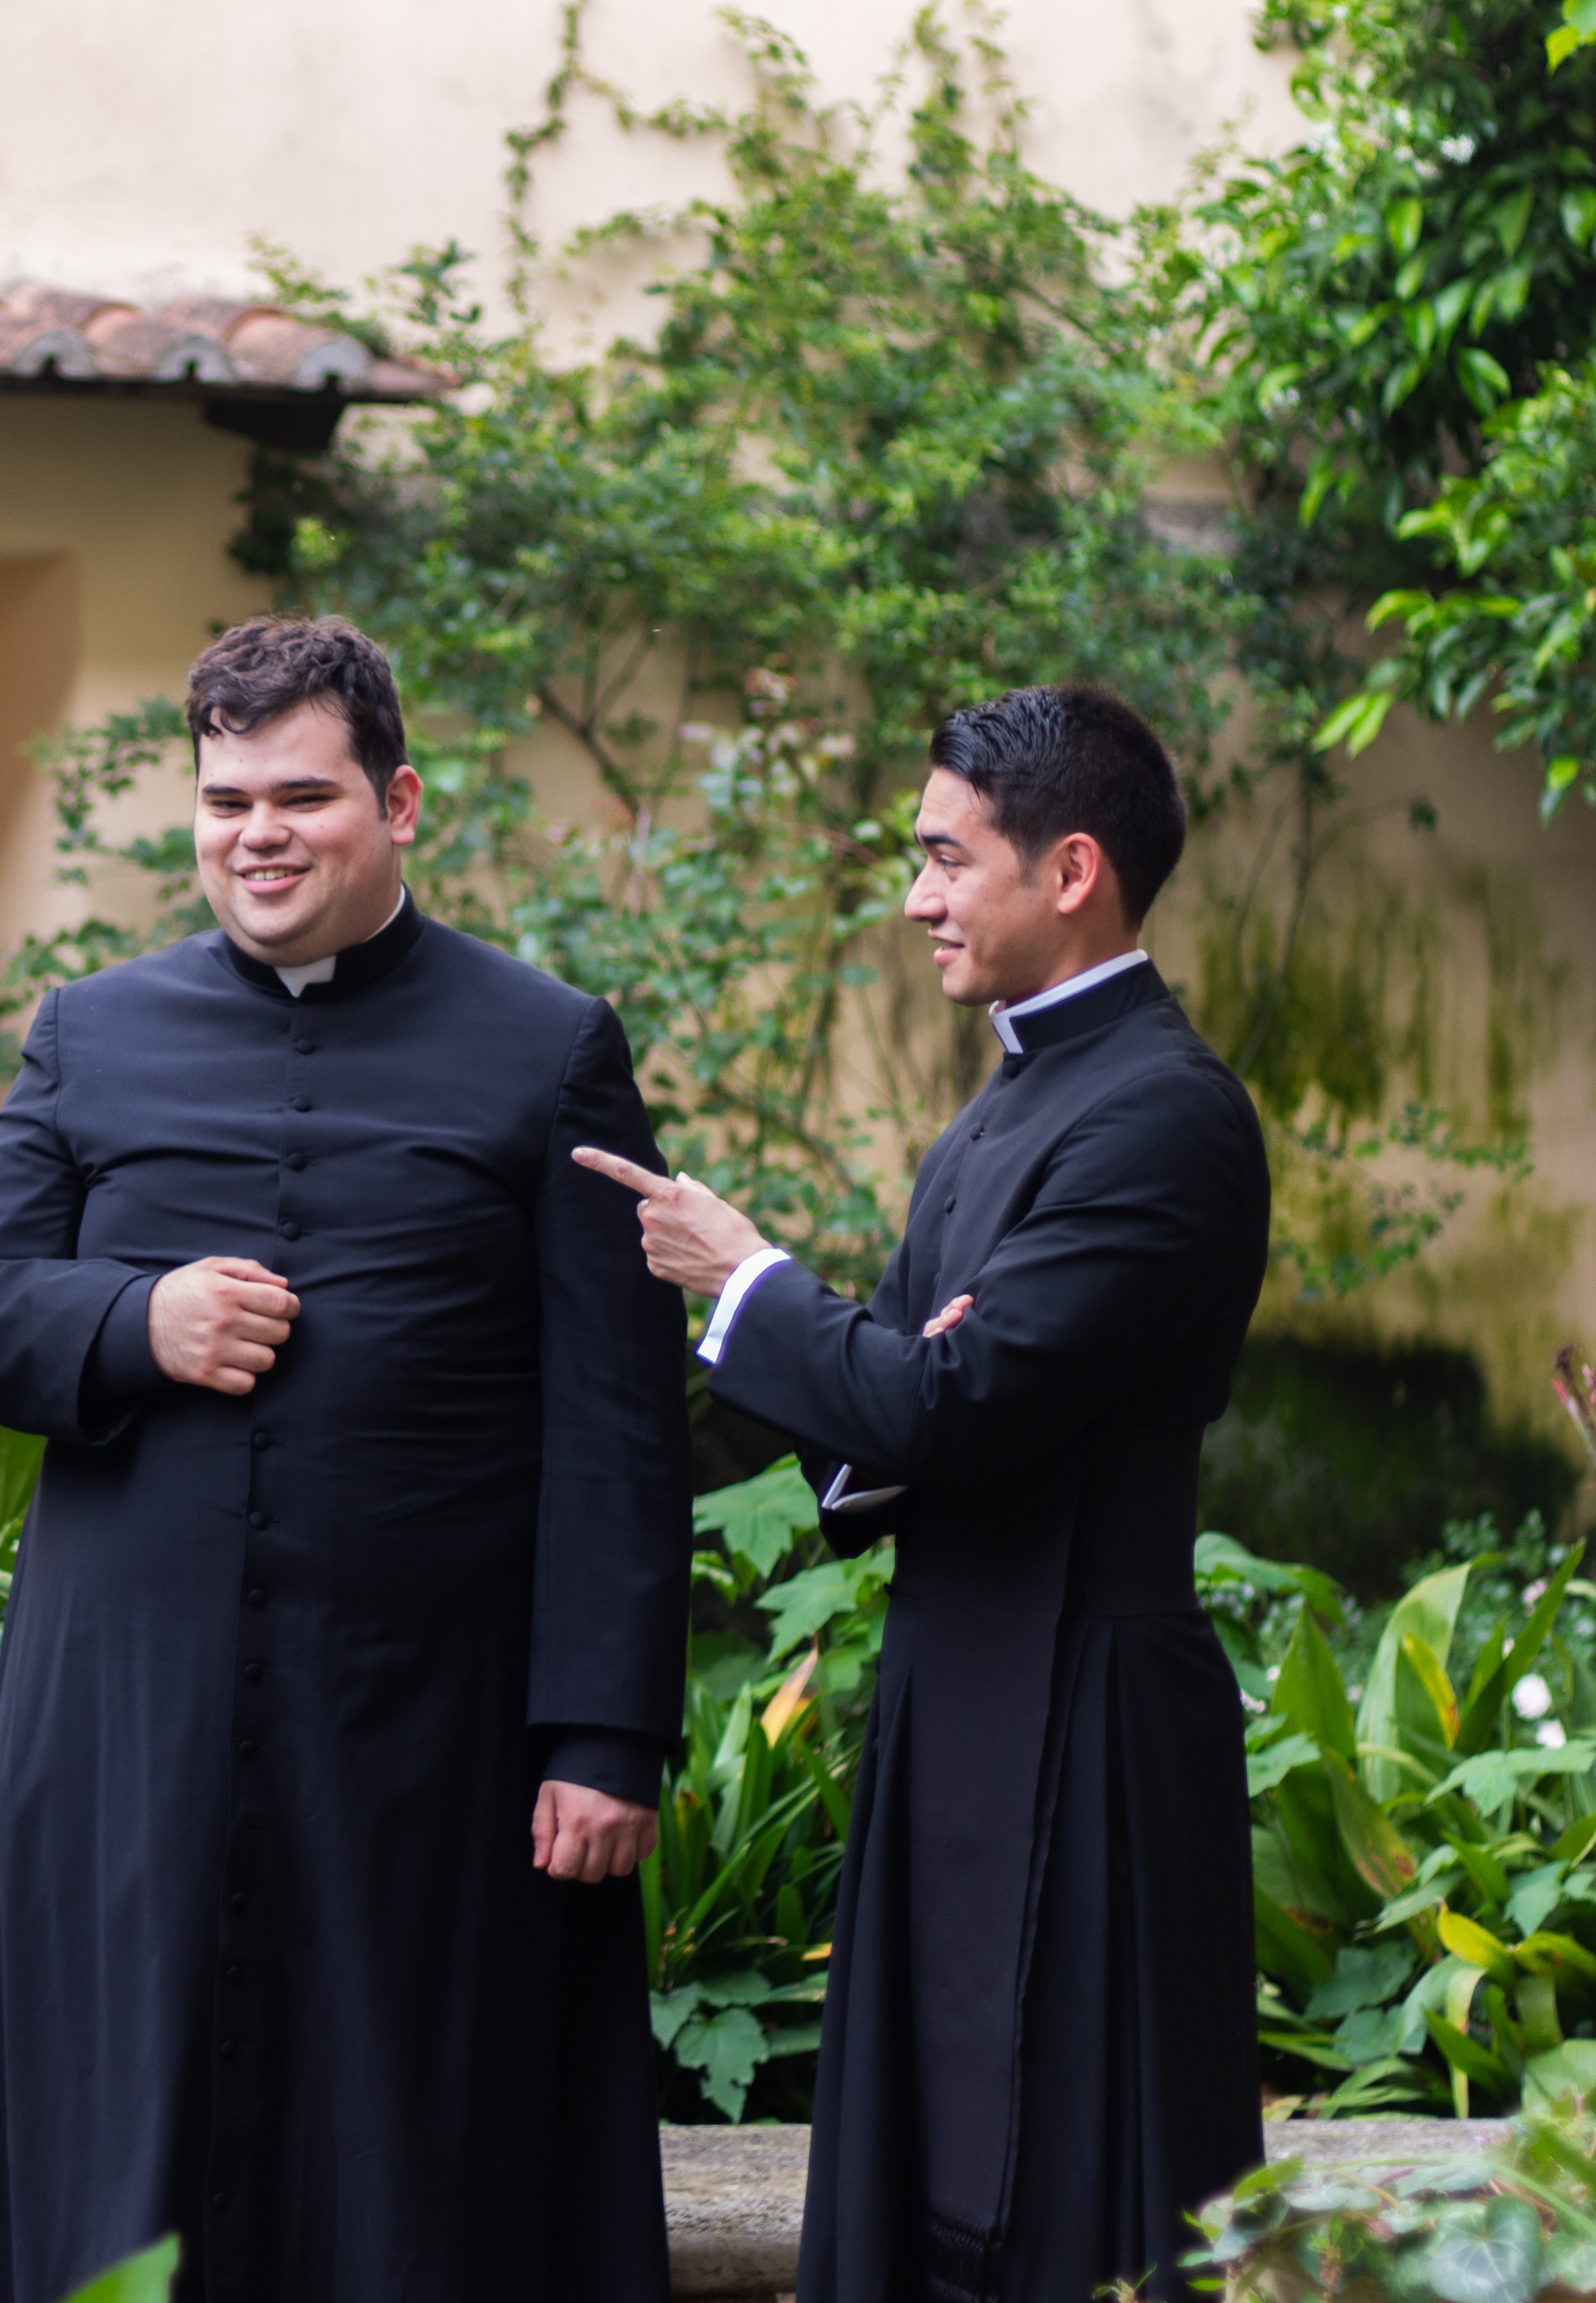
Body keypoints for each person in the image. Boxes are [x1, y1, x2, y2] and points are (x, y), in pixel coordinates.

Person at [0, 615, 691, 2303]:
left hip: (429, 1722)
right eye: (223, 799)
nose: (255, 834)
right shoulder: (92, 1032)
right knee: (129, 2132)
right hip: (130, 1713)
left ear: (399, 803)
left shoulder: (551, 1046)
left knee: (410, 2149)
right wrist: (137, 1323)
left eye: (301, 797)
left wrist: (608, 1732)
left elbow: (620, 1417)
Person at [577, 684, 1268, 2303]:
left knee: (1085, 2195)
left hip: (1095, 1712)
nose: (917, 899)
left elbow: (945, 1402)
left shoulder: (1168, 1117)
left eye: (947, 859)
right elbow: (895, 1416)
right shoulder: (999, 1117)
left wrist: (751, 1281)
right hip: (958, 1686)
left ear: (1073, 866)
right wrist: (898, 1379)